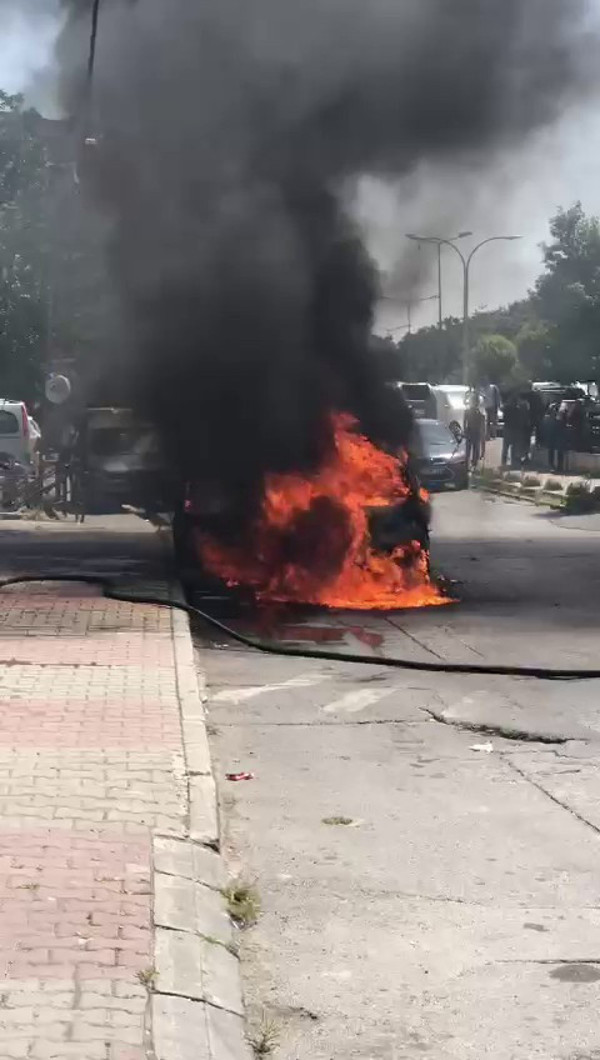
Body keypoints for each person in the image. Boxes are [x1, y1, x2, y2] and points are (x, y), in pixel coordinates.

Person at [463, 395, 486, 471]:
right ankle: (470, 466)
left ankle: (472, 466)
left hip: (474, 433)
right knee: (471, 451)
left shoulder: (480, 414)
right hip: (472, 433)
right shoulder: (478, 413)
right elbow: (464, 423)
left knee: (473, 451)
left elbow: (482, 428)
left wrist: (465, 431)